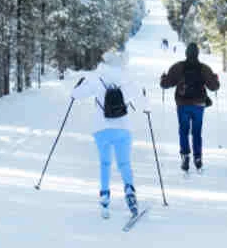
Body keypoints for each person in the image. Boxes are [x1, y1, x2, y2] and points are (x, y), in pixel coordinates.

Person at [71, 50, 150, 218]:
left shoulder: (96, 78)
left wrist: (78, 86)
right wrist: (145, 102)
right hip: (123, 128)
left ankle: (105, 198)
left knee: (105, 163)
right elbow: (144, 104)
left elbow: (75, 95)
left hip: (101, 129)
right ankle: (130, 192)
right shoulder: (127, 80)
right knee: (124, 163)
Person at [159, 41, 219, 172]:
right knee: (197, 132)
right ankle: (198, 158)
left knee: (183, 130)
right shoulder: (204, 68)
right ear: (197, 54)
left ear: (186, 53)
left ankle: (185, 155)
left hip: (183, 104)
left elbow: (166, 84)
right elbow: (214, 87)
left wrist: (163, 79)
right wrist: (215, 79)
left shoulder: (178, 67)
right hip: (199, 104)